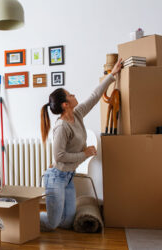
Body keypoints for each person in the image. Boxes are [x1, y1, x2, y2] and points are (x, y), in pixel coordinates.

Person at [39, 59, 123, 231]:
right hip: (56, 177)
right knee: (53, 224)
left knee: (68, 222)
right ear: (65, 104)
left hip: (68, 177)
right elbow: (59, 156)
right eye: (70, 95)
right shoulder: (61, 127)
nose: (74, 95)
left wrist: (111, 75)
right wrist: (84, 154)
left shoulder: (76, 114)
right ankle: (22, 216)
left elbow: (94, 97)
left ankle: (47, 215)